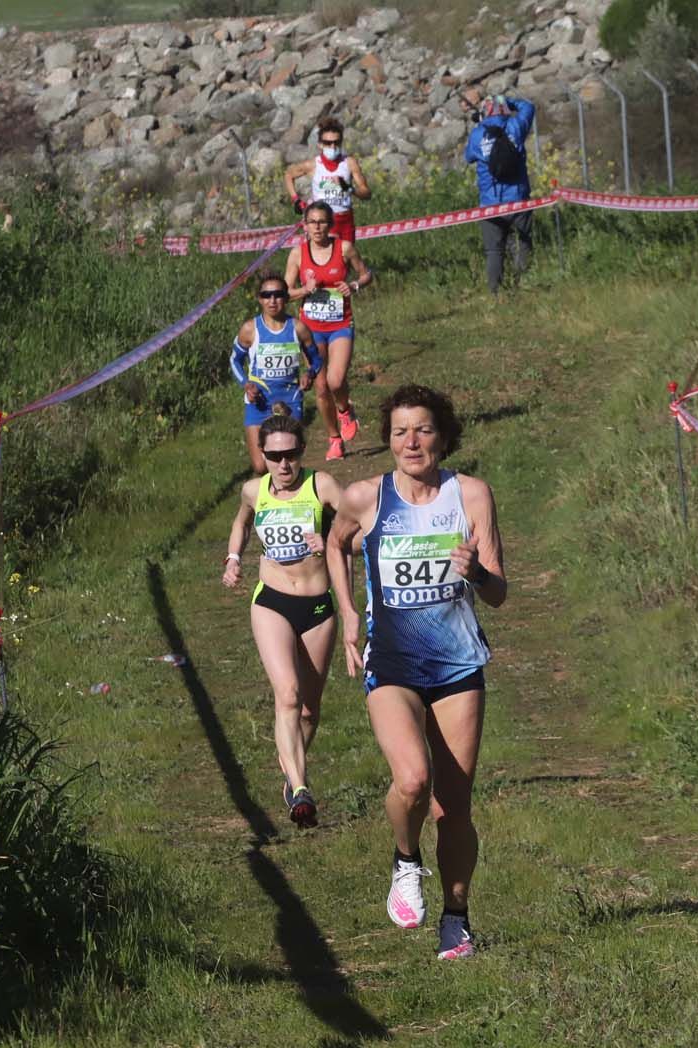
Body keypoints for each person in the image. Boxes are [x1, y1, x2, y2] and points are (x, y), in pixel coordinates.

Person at [326, 384, 506, 961]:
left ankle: (457, 919)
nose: (412, 442)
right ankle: (406, 860)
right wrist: (350, 614)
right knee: (411, 780)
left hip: (457, 665)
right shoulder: (364, 497)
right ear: (388, 439)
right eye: (400, 431)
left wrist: (476, 572)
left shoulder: (471, 494)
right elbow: (335, 547)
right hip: (394, 662)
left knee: (453, 805)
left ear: (443, 436)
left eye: (423, 429)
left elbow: (499, 591)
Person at [222, 412, 345, 829]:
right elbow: (240, 523)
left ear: (301, 452)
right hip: (270, 602)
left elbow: (360, 529)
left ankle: (291, 773)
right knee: (288, 695)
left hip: (316, 608)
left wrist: (329, 540)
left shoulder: (321, 486)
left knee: (309, 711)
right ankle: (299, 786)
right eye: (274, 456)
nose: (283, 464)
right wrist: (234, 558)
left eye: (291, 454)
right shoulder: (253, 491)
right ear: (263, 455)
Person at [284, 202, 373, 462]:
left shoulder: (343, 248)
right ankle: (334, 439)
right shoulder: (297, 254)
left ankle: (345, 409)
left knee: (335, 381)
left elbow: (367, 274)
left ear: (330, 224)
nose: (318, 227)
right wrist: (304, 290)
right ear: (305, 225)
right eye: (312, 222)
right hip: (311, 329)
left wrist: (354, 285)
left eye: (322, 221)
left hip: (340, 324)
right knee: (321, 387)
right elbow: (285, 292)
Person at [230, 272, 323, 474]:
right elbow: (234, 360)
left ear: (286, 297)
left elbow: (316, 360)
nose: (272, 300)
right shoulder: (249, 329)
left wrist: (310, 374)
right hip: (259, 400)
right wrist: (246, 384)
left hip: (290, 399)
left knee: (288, 459)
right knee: (261, 466)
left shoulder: (298, 328)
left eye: (278, 294)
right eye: (266, 295)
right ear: (259, 299)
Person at [463, 93, 536, 294]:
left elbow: (468, 157)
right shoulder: (516, 127)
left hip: (490, 203)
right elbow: (528, 106)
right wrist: (507, 101)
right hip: (519, 200)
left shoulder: (478, 134)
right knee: (522, 244)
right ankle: (523, 287)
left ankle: (495, 293)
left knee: (494, 251)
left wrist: (480, 123)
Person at [283, 117, 372, 243]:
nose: (333, 146)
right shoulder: (312, 165)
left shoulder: (349, 163)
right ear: (320, 144)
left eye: (336, 142)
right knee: (327, 260)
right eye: (328, 143)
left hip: (345, 220)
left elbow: (367, 194)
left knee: (346, 259)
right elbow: (288, 175)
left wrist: (349, 188)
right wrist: (296, 200)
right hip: (323, 222)